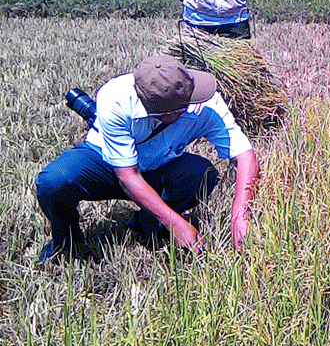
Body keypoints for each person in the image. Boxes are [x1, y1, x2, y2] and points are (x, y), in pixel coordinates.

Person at [35, 54, 260, 262]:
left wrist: (239, 215)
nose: (192, 104)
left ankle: (148, 226)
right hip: (106, 163)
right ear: (164, 113)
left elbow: (245, 156)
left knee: (201, 174)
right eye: (182, 108)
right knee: (54, 181)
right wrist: (176, 224)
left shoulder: (207, 102)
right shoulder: (115, 99)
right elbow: (127, 177)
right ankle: (66, 245)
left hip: (158, 166)